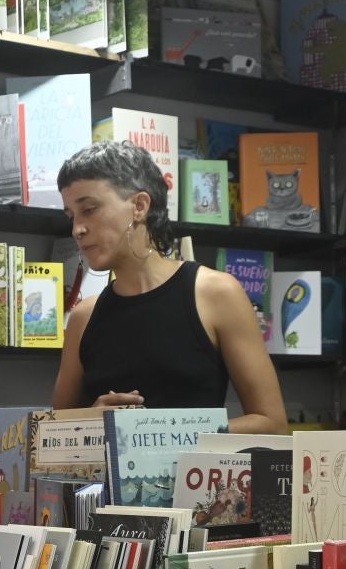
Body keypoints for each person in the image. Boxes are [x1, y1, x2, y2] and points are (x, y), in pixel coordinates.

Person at [50, 141, 288, 433]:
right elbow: (56, 437)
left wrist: (162, 434)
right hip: (107, 480)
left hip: (196, 478)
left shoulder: (216, 294)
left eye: (89, 209)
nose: (77, 229)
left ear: (139, 206)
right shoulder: (83, 318)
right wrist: (91, 422)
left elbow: (272, 423)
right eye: (71, 216)